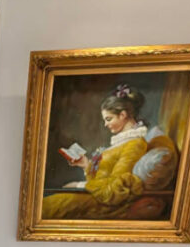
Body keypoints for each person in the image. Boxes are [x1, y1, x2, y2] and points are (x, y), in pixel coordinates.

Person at [42, 84, 150, 220]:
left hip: (106, 204)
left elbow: (115, 188)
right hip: (97, 196)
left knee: (49, 207)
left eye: (108, 119)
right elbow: (103, 177)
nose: (105, 124)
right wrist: (85, 164)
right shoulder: (122, 141)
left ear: (123, 115)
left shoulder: (135, 144)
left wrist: (80, 185)